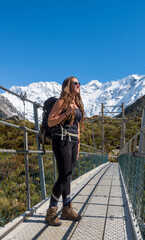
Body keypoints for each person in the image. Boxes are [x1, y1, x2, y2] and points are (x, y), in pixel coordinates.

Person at [45, 76, 84, 226]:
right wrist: (66, 112)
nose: (78, 85)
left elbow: (77, 126)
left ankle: (67, 209)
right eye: (75, 83)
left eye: (79, 83)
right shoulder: (61, 101)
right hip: (62, 140)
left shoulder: (77, 103)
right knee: (63, 174)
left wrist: (78, 145)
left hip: (73, 141)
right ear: (68, 86)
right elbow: (50, 121)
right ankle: (51, 211)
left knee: (68, 175)